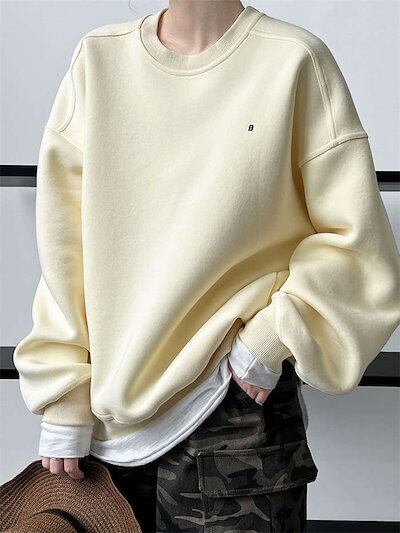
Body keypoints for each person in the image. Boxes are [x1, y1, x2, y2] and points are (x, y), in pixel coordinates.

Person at [13, 1, 400, 531]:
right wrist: (62, 394)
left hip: (233, 406)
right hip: (106, 426)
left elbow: (359, 244)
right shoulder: (98, 60)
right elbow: (65, 245)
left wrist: (270, 339)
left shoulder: (294, 60)